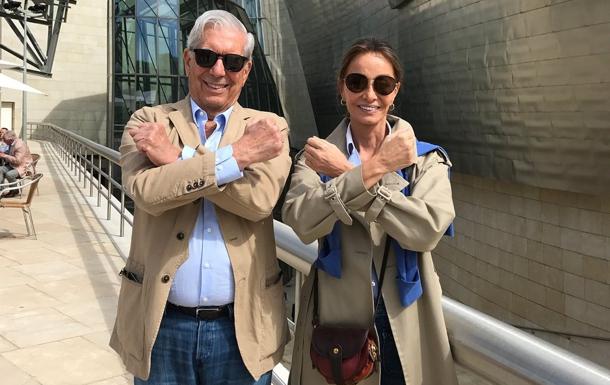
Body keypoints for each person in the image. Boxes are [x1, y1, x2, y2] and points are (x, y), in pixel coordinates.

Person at [109, 10, 291, 385]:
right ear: (189, 59)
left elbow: (259, 200)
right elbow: (146, 193)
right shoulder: (148, 121)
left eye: (233, 61)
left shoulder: (268, 128)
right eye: (207, 57)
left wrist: (177, 160)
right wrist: (238, 157)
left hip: (242, 327)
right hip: (161, 324)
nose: (218, 71)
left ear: (247, 69)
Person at [282, 38, 458, 385]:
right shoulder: (316, 156)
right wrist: (366, 172)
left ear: (395, 92)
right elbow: (301, 222)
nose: (369, 94)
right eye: (357, 82)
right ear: (342, 89)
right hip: (336, 322)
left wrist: (346, 175)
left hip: (407, 319)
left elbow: (426, 230)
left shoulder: (425, 160)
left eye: (383, 84)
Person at [0, 130, 33, 197]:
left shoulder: (19, 145)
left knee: (9, 174)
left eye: (5, 139)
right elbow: (10, 153)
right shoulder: (11, 143)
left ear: (11, 139)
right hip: (13, 165)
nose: (3, 141)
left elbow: (18, 161)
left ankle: (14, 190)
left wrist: (5, 156)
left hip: (23, 166)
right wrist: (4, 153)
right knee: (0, 169)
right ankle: (1, 190)